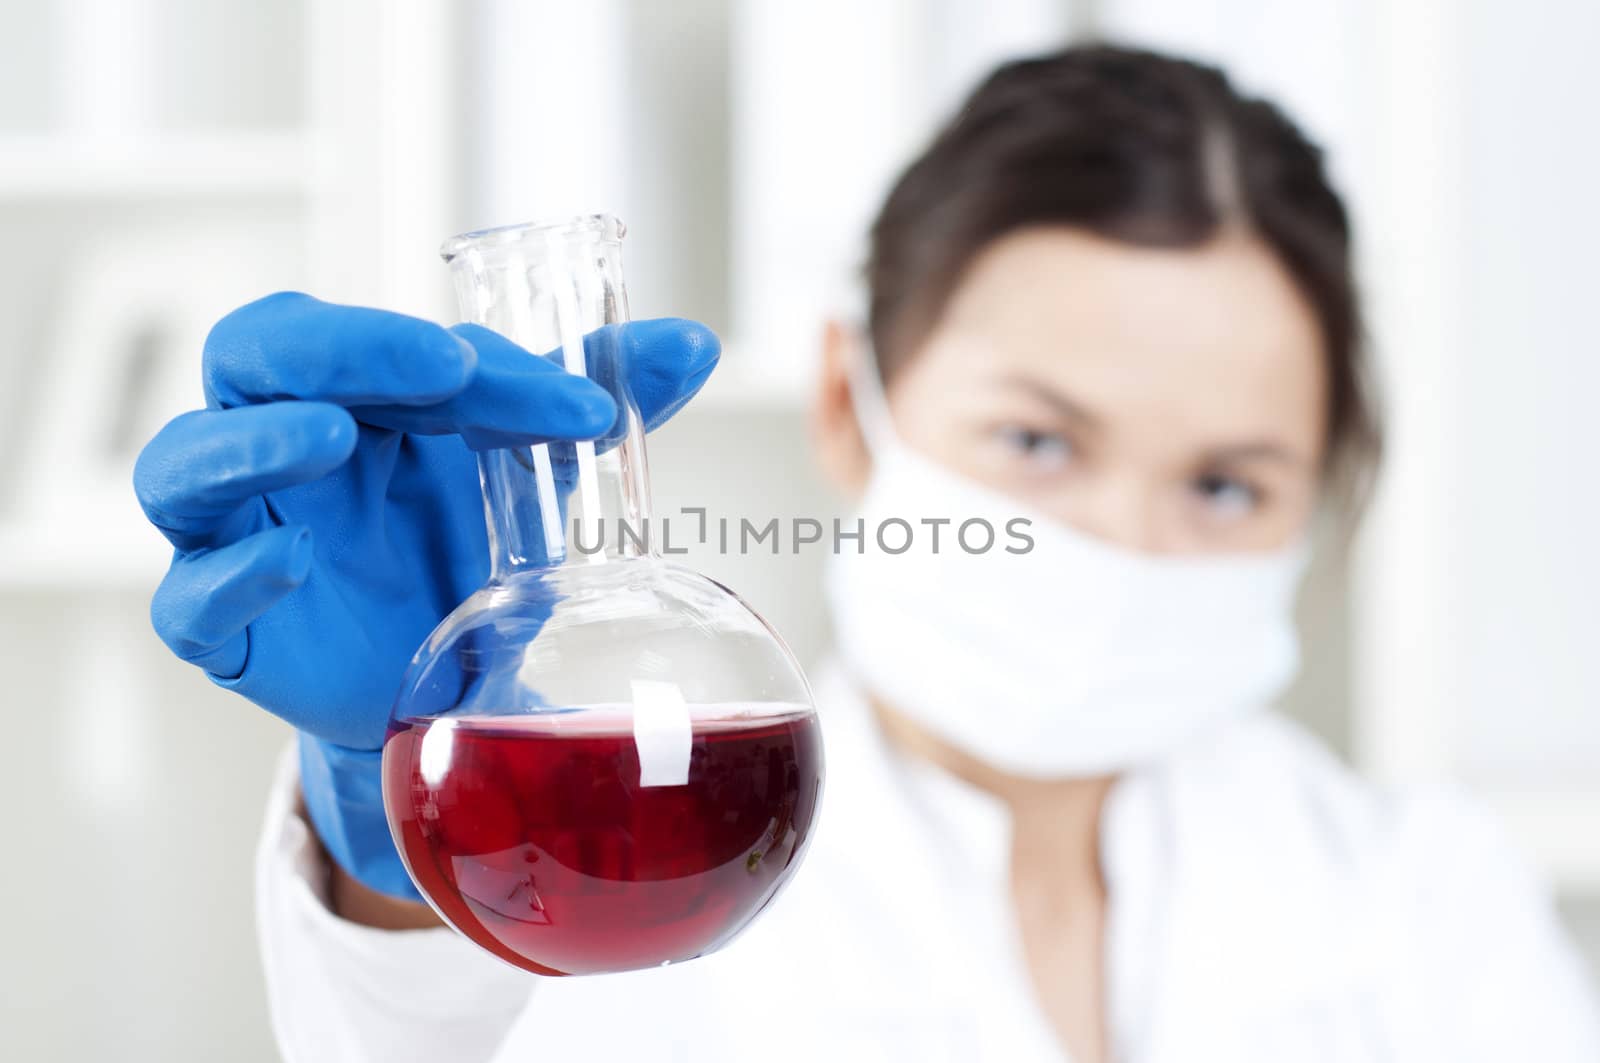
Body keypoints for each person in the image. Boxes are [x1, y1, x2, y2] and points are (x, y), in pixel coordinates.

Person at [134, 46, 1599, 1062]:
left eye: (1227, 484)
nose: (1119, 542)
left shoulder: (1420, 905)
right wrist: (406, 883)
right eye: (1037, 442)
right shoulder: (644, 866)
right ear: (851, 398)